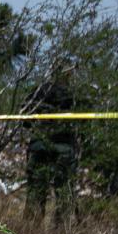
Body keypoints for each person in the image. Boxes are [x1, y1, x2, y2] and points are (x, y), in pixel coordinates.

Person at [24, 67, 80, 225]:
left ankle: (30, 228)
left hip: (39, 145)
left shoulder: (37, 91)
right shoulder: (73, 94)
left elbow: (25, 120)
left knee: (36, 190)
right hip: (63, 147)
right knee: (64, 189)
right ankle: (62, 230)